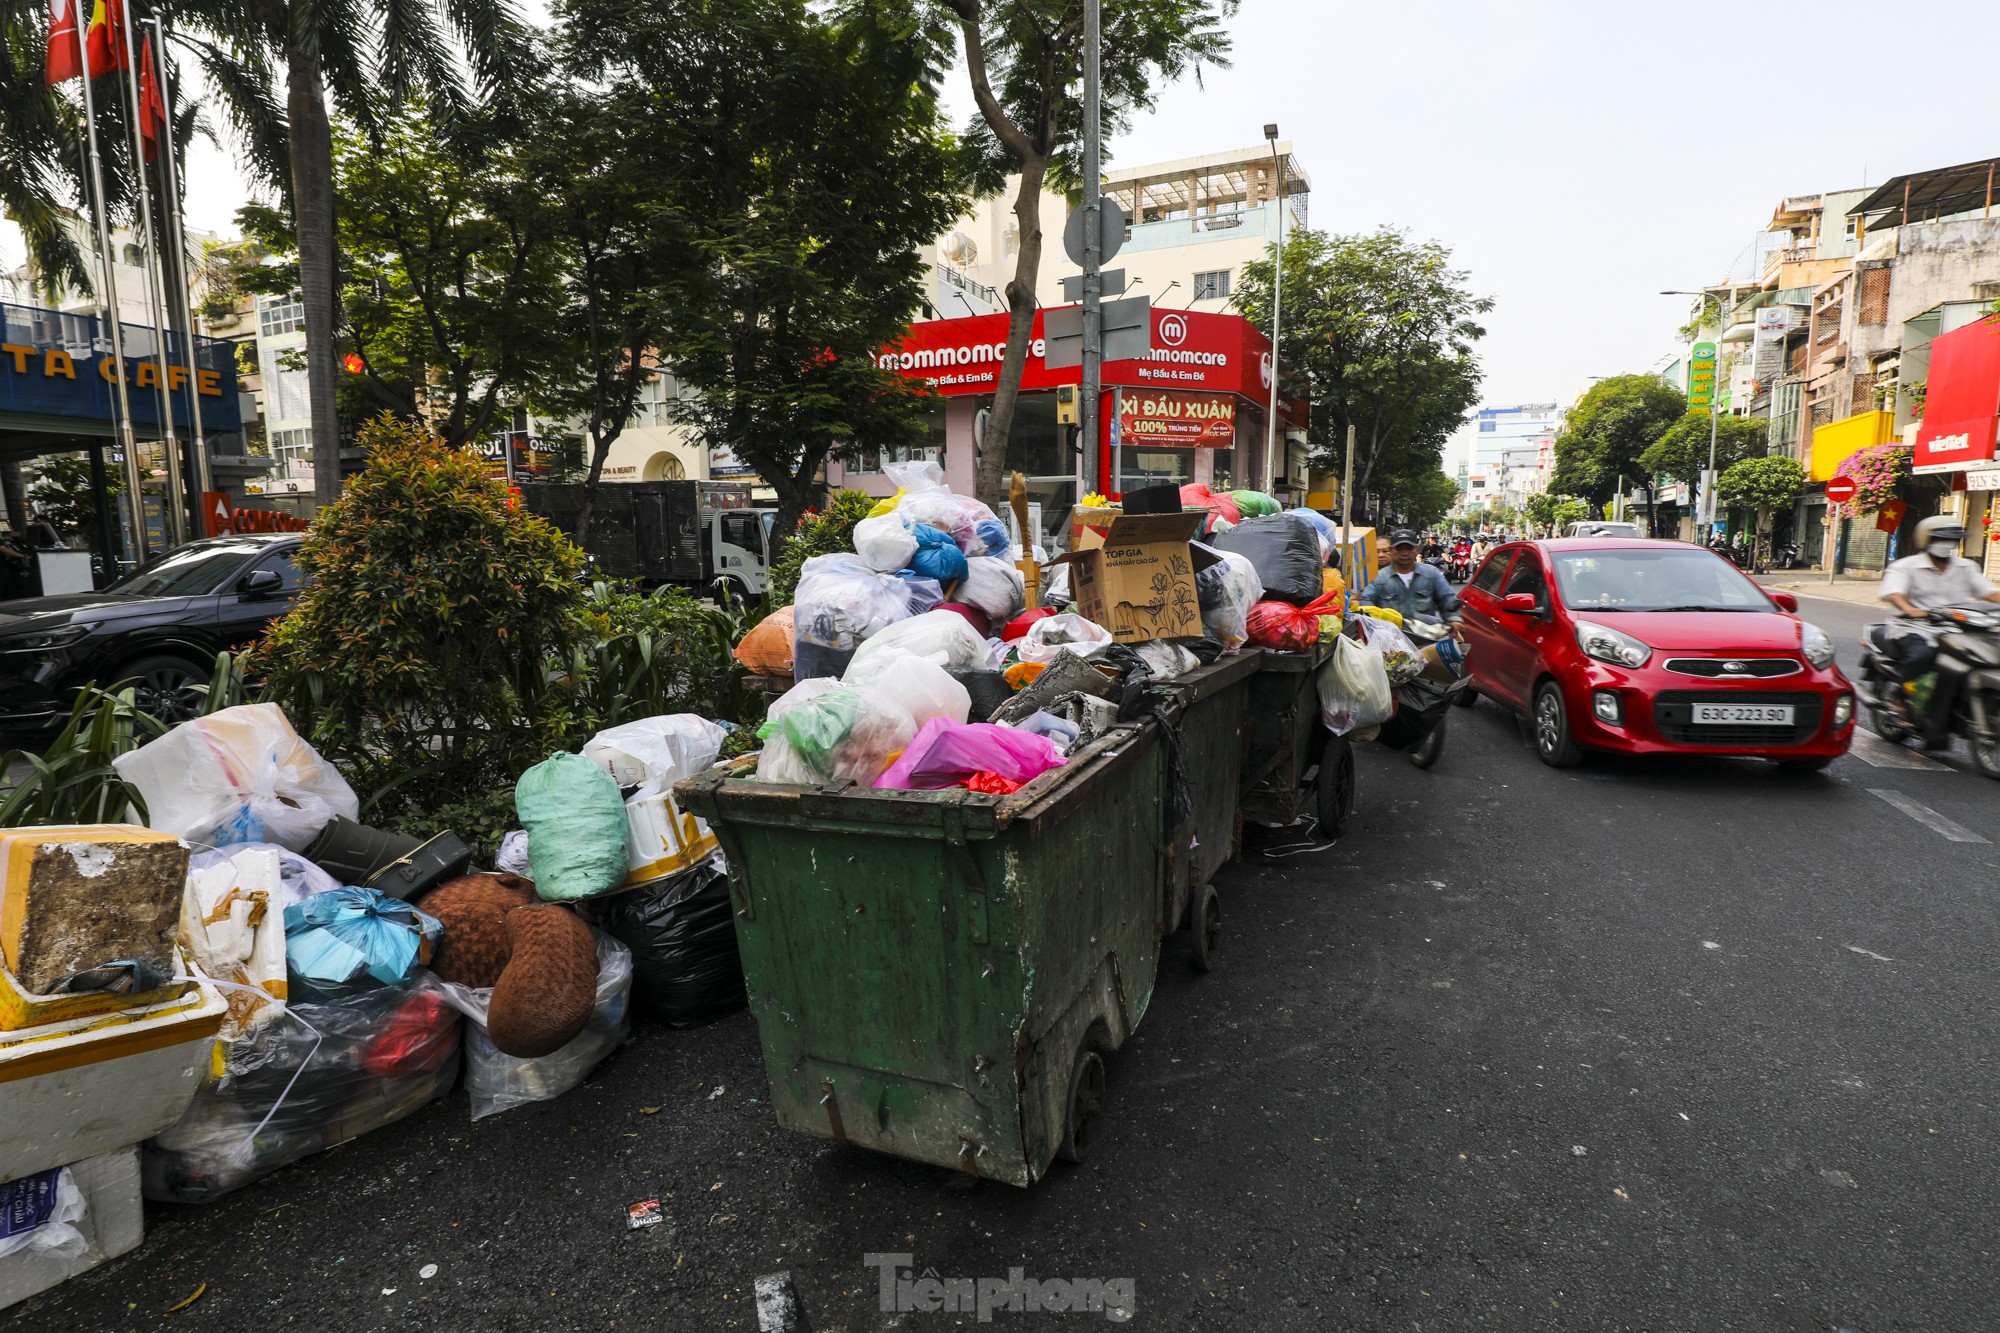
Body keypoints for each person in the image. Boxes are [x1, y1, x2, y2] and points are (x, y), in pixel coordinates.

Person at [1871, 515, 2000, 683]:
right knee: (1923, 655)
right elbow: (1895, 594)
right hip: (1914, 627)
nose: (1947, 544)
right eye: (1941, 539)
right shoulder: (1905, 567)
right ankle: (1898, 694)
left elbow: (1989, 592)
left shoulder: (1966, 567)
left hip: (1957, 627)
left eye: (1952, 540)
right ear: (1925, 539)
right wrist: (1911, 610)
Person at [1359, 528, 1460, 625]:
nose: (1405, 553)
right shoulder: (1379, 578)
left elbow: (1447, 598)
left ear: (1416, 549)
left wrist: (1454, 619)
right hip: (1390, 637)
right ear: (1392, 550)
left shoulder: (1431, 574)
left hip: (1426, 637)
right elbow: (1366, 602)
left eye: (1409, 548)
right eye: (1400, 549)